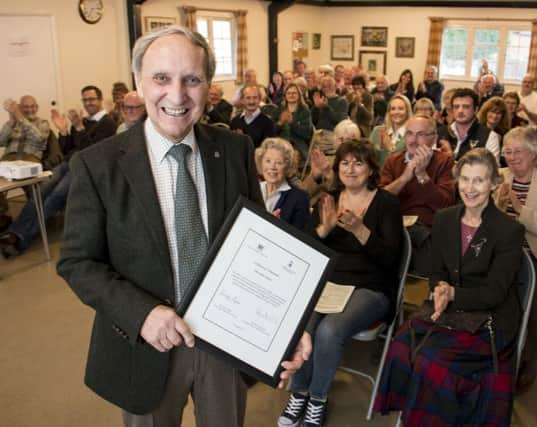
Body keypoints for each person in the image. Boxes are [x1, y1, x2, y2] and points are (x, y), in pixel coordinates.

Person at [54, 26, 309, 427]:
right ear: (139, 82)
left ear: (208, 84)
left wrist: (291, 325)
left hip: (225, 339)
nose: (177, 96)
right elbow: (77, 262)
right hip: (145, 343)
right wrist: (142, 314)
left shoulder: (234, 149)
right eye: (162, 78)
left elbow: (260, 246)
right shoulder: (96, 165)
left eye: (191, 79)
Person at [375, 147, 525, 427]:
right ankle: (415, 414)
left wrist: (453, 293)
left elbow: (495, 292)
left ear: (493, 183)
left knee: (430, 360)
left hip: (490, 318)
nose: (470, 188)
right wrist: (440, 287)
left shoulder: (508, 230)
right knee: (401, 344)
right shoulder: (445, 219)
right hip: (450, 308)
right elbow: (437, 270)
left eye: (479, 180)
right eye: (465, 179)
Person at [278, 140, 402, 427]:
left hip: (369, 287)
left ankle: (317, 399)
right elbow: (307, 250)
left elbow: (390, 259)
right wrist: (324, 229)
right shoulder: (328, 199)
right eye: (345, 163)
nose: (351, 168)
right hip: (329, 284)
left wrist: (360, 231)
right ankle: (299, 394)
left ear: (371, 169)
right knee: (304, 325)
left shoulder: (386, 203)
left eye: (359, 163)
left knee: (329, 330)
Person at [0, 85, 117, 257]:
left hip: (85, 168)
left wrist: (79, 128)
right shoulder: (82, 120)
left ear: (99, 100)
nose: (88, 103)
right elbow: (67, 148)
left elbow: (92, 151)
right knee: (39, 193)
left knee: (54, 198)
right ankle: (13, 232)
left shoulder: (108, 123)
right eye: (85, 99)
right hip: (68, 163)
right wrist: (63, 131)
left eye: (91, 99)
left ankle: (20, 237)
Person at [495, 127, 537, 393]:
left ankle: (527, 358)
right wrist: (499, 207)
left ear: (534, 152)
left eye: (517, 151)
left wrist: (522, 210)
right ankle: (488, 347)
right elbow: (483, 223)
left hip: (534, 256)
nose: (511, 158)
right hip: (501, 252)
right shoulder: (500, 177)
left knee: (525, 291)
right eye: (507, 152)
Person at [380, 116, 455, 276]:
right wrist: (405, 177)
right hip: (394, 226)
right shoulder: (393, 161)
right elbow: (379, 200)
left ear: (433, 138)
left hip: (427, 229)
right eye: (409, 134)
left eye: (420, 134)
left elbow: (445, 204)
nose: (413, 140)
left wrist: (422, 175)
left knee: (421, 238)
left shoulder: (444, 162)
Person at [0, 95, 51, 229]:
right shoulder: (13, 123)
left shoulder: (43, 123)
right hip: (8, 159)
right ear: (20, 108)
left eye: (32, 106)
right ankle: (3, 216)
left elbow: (39, 138)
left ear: (37, 107)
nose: (30, 109)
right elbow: (1, 141)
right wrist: (11, 122)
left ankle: (35, 218)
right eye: (25, 107)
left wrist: (21, 119)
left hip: (30, 159)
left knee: (33, 187)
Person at [300, 119, 361, 206]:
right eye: (341, 139)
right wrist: (314, 177)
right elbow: (301, 194)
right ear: (335, 141)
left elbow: (343, 195)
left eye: (349, 140)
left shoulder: (359, 166)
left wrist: (328, 174)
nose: (344, 144)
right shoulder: (325, 161)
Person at [256, 137, 309, 230]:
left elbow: (299, 238)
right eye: (268, 161)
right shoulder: (251, 188)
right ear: (261, 162)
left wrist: (279, 228)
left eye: (279, 163)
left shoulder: (300, 198)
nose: (272, 167)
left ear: (288, 166)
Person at [439, 88, 500, 163]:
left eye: (466, 107)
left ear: (476, 109)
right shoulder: (440, 132)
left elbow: (492, 170)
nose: (460, 111)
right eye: (456, 107)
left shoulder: (490, 136)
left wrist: (451, 159)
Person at [273, 82, 313, 163]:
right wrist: (280, 123)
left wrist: (292, 123)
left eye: (294, 93)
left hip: (297, 144)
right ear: (285, 95)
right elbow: (271, 131)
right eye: (288, 93)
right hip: (280, 142)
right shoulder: (279, 109)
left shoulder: (304, 110)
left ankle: (292, 175)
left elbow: (307, 134)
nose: (291, 95)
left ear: (299, 95)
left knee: (290, 155)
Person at [369, 94, 412, 166]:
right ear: (389, 112)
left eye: (401, 109)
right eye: (393, 109)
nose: (396, 112)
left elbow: (406, 164)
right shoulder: (378, 130)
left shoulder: (411, 135)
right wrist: (379, 147)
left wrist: (390, 148)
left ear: (407, 112)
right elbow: (369, 159)